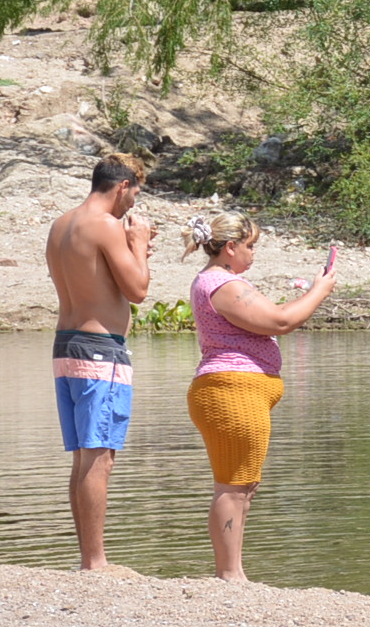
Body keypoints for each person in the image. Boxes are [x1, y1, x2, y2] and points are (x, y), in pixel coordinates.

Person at [182, 212, 337, 582]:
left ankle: (234, 572)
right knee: (234, 484)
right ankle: (230, 575)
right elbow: (281, 321)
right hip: (232, 391)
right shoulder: (223, 284)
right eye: (250, 246)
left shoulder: (222, 281)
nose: (253, 254)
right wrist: (319, 291)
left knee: (243, 484)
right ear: (230, 247)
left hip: (238, 391)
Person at [44, 149, 155, 573]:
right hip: (99, 350)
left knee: (82, 454)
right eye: (135, 194)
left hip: (66, 343)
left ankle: (88, 557)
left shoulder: (62, 224)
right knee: (100, 454)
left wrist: (132, 249)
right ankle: (96, 561)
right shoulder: (105, 226)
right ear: (123, 185)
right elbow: (138, 290)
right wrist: (139, 245)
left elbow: (97, 279)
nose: (134, 205)